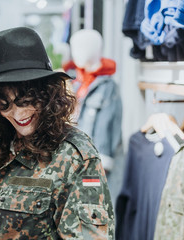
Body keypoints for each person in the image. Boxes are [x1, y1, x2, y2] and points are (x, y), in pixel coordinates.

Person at [0, 27, 114, 240]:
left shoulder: (75, 156)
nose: (18, 113)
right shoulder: (8, 144)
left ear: (46, 95)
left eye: (26, 101)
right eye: (4, 104)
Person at [68, 29, 123, 204]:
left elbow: (107, 131)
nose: (77, 52)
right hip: (75, 165)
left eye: (83, 47)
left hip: (94, 167)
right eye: (75, 47)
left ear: (96, 50)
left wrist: (96, 172)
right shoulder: (77, 84)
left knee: (94, 211)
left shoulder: (107, 87)